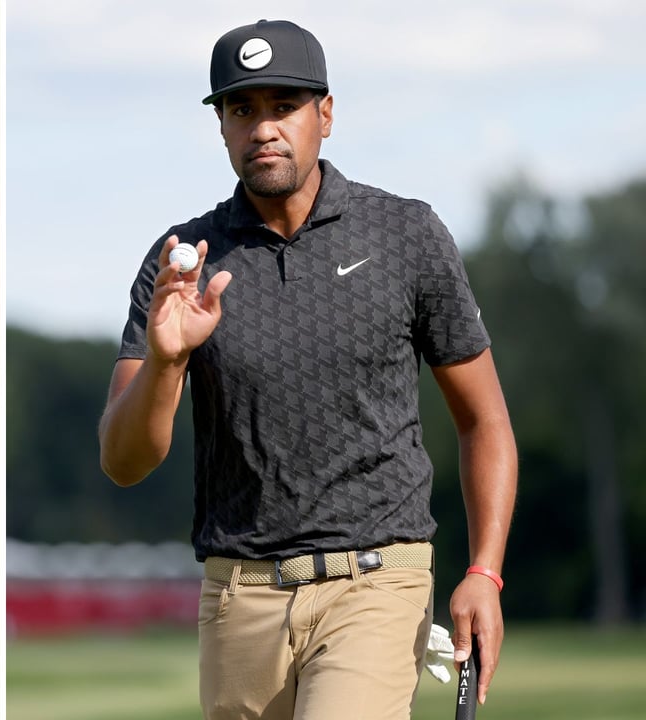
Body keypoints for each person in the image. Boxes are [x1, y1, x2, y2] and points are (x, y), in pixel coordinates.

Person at [97, 20, 516, 720]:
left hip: (375, 583)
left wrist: (484, 572)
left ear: (325, 114)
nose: (263, 128)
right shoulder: (181, 263)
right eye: (242, 109)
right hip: (239, 598)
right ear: (221, 127)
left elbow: (485, 420)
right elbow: (123, 461)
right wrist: (166, 361)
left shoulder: (406, 235)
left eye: (284, 105)